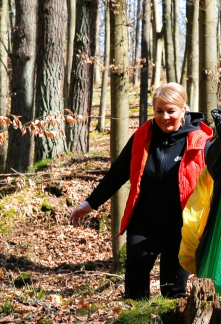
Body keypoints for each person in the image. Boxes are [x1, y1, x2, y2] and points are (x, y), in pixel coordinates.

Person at [70, 83, 212, 299]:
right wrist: (90, 203)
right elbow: (117, 173)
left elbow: (218, 181)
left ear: (183, 109)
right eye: (159, 111)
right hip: (145, 224)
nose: (164, 117)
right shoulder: (143, 136)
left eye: (171, 111)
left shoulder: (200, 141)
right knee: (135, 288)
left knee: (173, 291)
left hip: (182, 228)